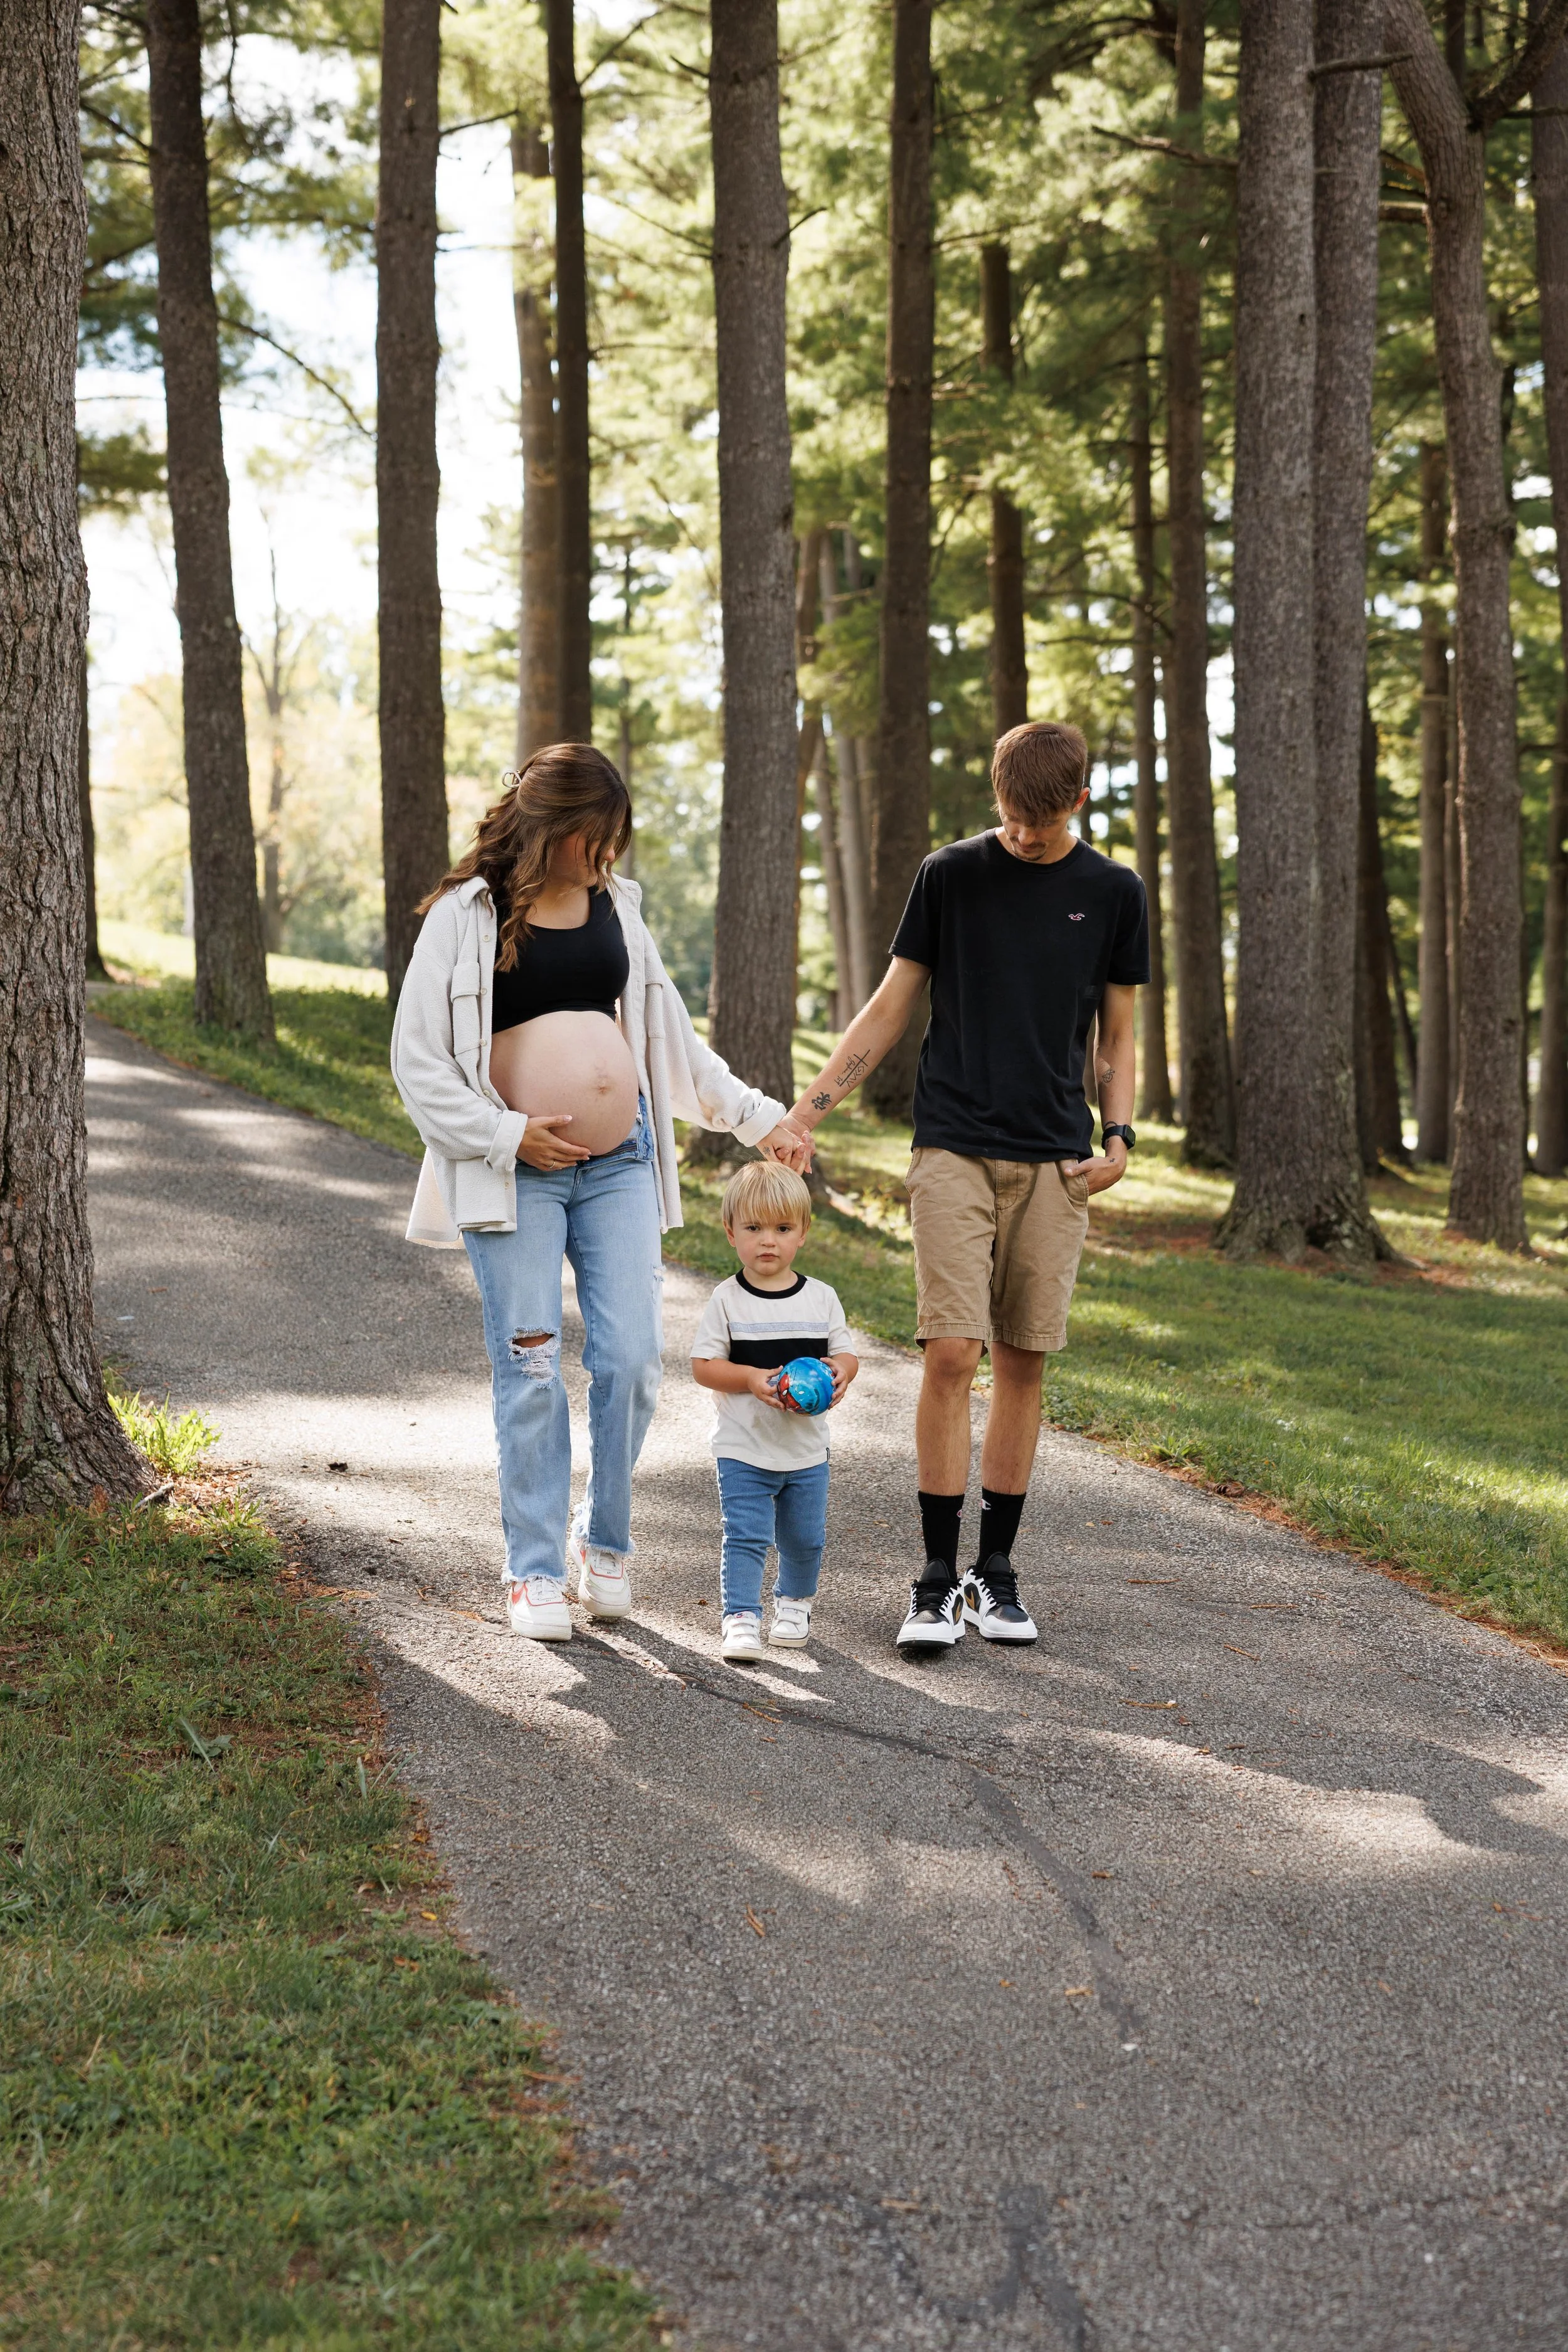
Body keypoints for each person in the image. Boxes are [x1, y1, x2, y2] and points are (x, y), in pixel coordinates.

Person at [391, 744, 811, 1641]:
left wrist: (758, 1117)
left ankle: (603, 1541)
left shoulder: (619, 907)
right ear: (551, 823)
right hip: (515, 1173)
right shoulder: (466, 914)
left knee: (628, 1361)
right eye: (595, 833)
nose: (606, 851)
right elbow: (417, 1061)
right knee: (533, 1364)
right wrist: (507, 1132)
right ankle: (534, 1567)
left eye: (613, 835)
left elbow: (671, 1040)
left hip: (619, 1164)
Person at [787, 720, 1148, 1654]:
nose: (1023, 838)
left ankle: (997, 1573)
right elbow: (890, 1003)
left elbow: (1120, 1035)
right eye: (1011, 819)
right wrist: (809, 1110)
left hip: (1056, 1160)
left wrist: (1120, 1139)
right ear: (997, 795)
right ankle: (937, 1578)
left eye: (1040, 822)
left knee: (1023, 1360)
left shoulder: (1115, 893)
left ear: (1077, 801)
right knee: (953, 1352)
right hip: (952, 1145)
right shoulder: (949, 873)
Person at [690, 1163, 859, 1662]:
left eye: (783, 1229)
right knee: (746, 1536)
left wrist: (843, 1371)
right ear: (730, 1232)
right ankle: (741, 1616)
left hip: (806, 1451)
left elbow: (845, 1352)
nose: (769, 1241)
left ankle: (794, 1604)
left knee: (805, 1539)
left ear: (803, 1233)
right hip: (743, 1448)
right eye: (754, 1228)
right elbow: (703, 1366)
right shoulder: (727, 1300)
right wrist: (747, 1378)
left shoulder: (821, 1298)